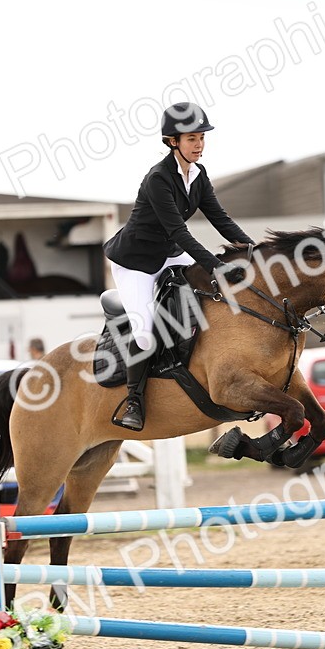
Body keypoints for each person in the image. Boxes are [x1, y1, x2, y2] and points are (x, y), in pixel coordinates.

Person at [102, 102, 254, 431]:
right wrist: (216, 265)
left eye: (202, 138)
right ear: (173, 141)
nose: (199, 145)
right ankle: (133, 401)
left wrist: (254, 251)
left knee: (210, 293)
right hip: (136, 263)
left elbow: (221, 219)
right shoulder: (158, 178)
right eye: (192, 139)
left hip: (170, 254)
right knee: (144, 335)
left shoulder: (198, 175)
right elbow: (179, 232)